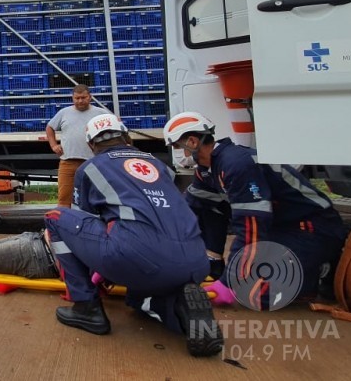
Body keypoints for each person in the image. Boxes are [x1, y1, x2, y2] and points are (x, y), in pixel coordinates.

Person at [44, 114, 223, 357]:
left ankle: (86, 306)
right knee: (136, 300)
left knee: (56, 218)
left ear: (91, 145)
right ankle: (181, 310)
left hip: (138, 258)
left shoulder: (90, 168)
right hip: (195, 263)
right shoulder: (160, 166)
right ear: (127, 138)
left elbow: (83, 222)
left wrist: (100, 270)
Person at [162, 111, 347, 308]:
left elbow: (252, 225)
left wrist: (230, 282)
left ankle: (322, 268)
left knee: (257, 294)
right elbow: (189, 208)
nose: (180, 153)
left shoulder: (236, 164)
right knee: (209, 208)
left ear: (192, 142)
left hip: (313, 227)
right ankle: (215, 265)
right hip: (280, 228)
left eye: (177, 146)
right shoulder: (208, 170)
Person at [45, 84, 109, 208]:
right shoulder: (64, 112)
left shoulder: (101, 113)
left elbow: (114, 126)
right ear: (72, 98)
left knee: (98, 196)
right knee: (64, 199)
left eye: (83, 97)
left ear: (90, 97)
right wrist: (53, 145)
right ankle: (64, 224)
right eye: (77, 98)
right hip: (68, 163)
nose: (80, 101)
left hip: (93, 162)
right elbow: (50, 127)